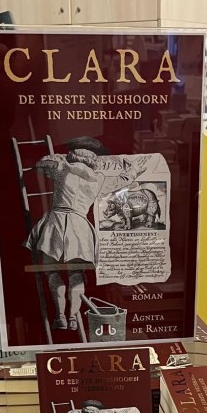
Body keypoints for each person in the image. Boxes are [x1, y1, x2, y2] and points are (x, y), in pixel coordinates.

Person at [26, 138, 143, 331]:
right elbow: (125, 179)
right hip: (80, 227)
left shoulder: (63, 168)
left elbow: (42, 162)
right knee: (76, 273)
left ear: (73, 157)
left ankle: (60, 316)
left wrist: (62, 158)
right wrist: (131, 169)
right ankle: (73, 318)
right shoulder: (99, 179)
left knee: (53, 271)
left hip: (57, 222)